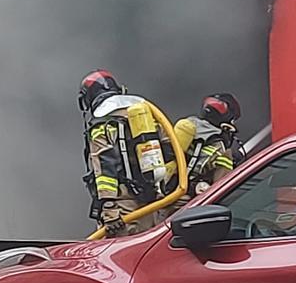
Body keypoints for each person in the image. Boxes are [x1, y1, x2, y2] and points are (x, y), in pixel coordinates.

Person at [79, 70, 169, 237]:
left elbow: (105, 169)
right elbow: (168, 151)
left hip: (123, 208)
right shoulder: (143, 115)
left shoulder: (102, 123)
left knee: (111, 258)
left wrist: (109, 209)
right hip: (152, 202)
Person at [171, 93, 243, 199]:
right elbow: (221, 190)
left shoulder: (189, 125)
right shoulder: (222, 150)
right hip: (186, 200)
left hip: (165, 193)